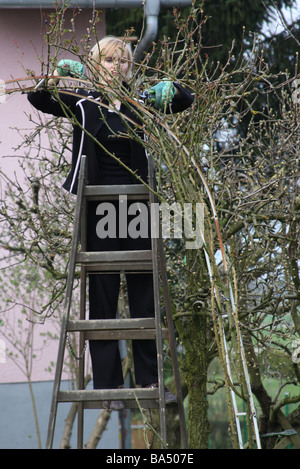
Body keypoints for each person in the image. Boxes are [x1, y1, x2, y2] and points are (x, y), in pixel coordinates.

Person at [28, 36, 194, 411]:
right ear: (94, 64)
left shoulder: (140, 103)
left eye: (122, 61)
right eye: (108, 59)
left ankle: (150, 379)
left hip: (139, 209)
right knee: (102, 294)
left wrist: (169, 90)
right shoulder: (84, 102)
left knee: (144, 294)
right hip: (98, 208)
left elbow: (185, 99)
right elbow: (38, 98)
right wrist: (56, 77)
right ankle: (108, 386)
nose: (116, 66)